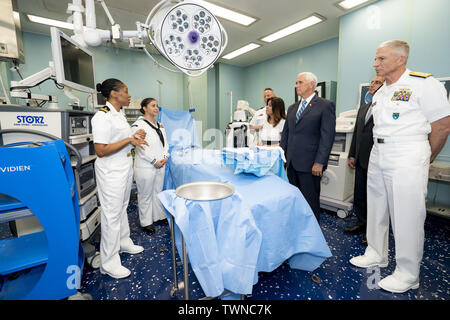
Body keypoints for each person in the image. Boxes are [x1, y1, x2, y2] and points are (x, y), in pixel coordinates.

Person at [349, 40, 450, 293]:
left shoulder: (424, 84)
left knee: (407, 215)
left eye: (381, 58)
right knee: (376, 206)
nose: (375, 63)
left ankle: (407, 273)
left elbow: (442, 126)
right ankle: (376, 252)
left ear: (400, 59)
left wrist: (425, 158)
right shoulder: (382, 90)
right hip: (378, 151)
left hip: (407, 151)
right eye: (375, 58)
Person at [91, 78, 148, 279]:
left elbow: (122, 143)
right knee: (111, 215)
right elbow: (101, 150)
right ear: (114, 94)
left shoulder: (119, 115)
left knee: (122, 208)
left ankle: (124, 242)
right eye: (125, 90)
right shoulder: (102, 117)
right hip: (111, 173)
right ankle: (109, 262)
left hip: (123, 169)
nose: (129, 94)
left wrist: (135, 137)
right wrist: (128, 139)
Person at [280, 72, 336, 223]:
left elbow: (327, 136)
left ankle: (312, 235)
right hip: (291, 163)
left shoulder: (325, 105)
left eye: (300, 82)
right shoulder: (292, 108)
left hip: (311, 164)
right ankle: (297, 229)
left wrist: (320, 162)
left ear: (312, 84)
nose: (297, 86)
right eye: (296, 83)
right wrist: (282, 156)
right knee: (295, 200)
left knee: (310, 201)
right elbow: (286, 134)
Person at [345, 75, 385, 245]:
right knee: (360, 194)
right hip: (361, 159)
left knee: (374, 198)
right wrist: (352, 154)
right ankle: (361, 223)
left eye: (377, 82)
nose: (372, 85)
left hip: (378, 160)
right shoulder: (364, 108)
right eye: (372, 82)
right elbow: (357, 134)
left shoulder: (386, 108)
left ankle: (372, 232)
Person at [131, 98, 169, 235]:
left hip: (161, 164)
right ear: (144, 108)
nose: (156, 108)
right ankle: (146, 222)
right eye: (153, 105)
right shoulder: (138, 125)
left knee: (157, 191)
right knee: (145, 194)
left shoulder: (160, 125)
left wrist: (165, 157)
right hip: (146, 166)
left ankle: (158, 216)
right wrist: (154, 161)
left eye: (157, 106)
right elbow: (140, 147)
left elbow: (165, 144)